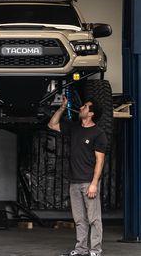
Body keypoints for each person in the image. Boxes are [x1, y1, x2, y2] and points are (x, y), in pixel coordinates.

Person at [48, 96, 107, 256]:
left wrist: (94, 183)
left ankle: (95, 251)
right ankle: (81, 249)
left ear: (91, 114)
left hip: (89, 182)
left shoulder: (98, 133)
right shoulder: (75, 128)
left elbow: (100, 161)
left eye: (85, 107)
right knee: (79, 219)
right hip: (74, 182)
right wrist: (61, 108)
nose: (81, 108)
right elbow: (52, 124)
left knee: (94, 219)